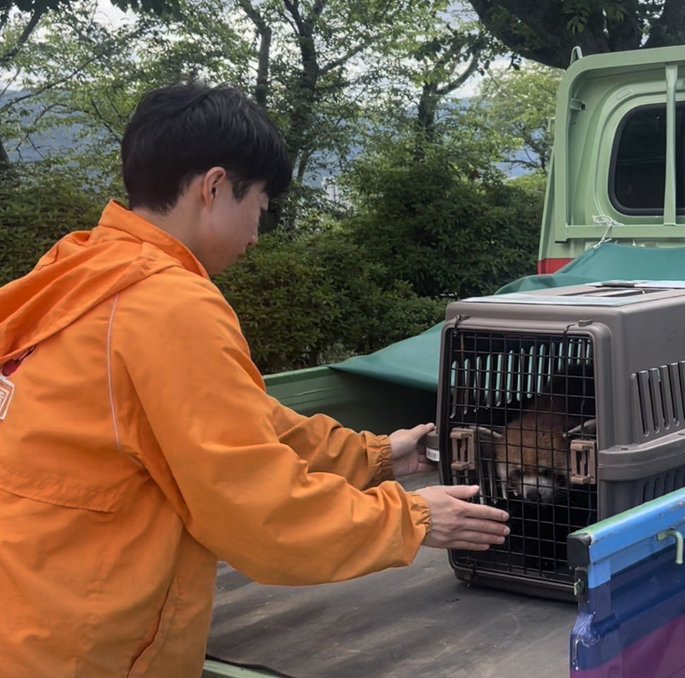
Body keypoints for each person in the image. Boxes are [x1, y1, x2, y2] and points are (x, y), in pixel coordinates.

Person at [0, 83, 511, 676]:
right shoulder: (166, 303)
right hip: (88, 649)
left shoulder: (79, 269)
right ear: (214, 187)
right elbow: (257, 513)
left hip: (27, 609)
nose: (256, 235)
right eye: (261, 207)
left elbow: (241, 421)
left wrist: (374, 456)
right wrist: (412, 519)